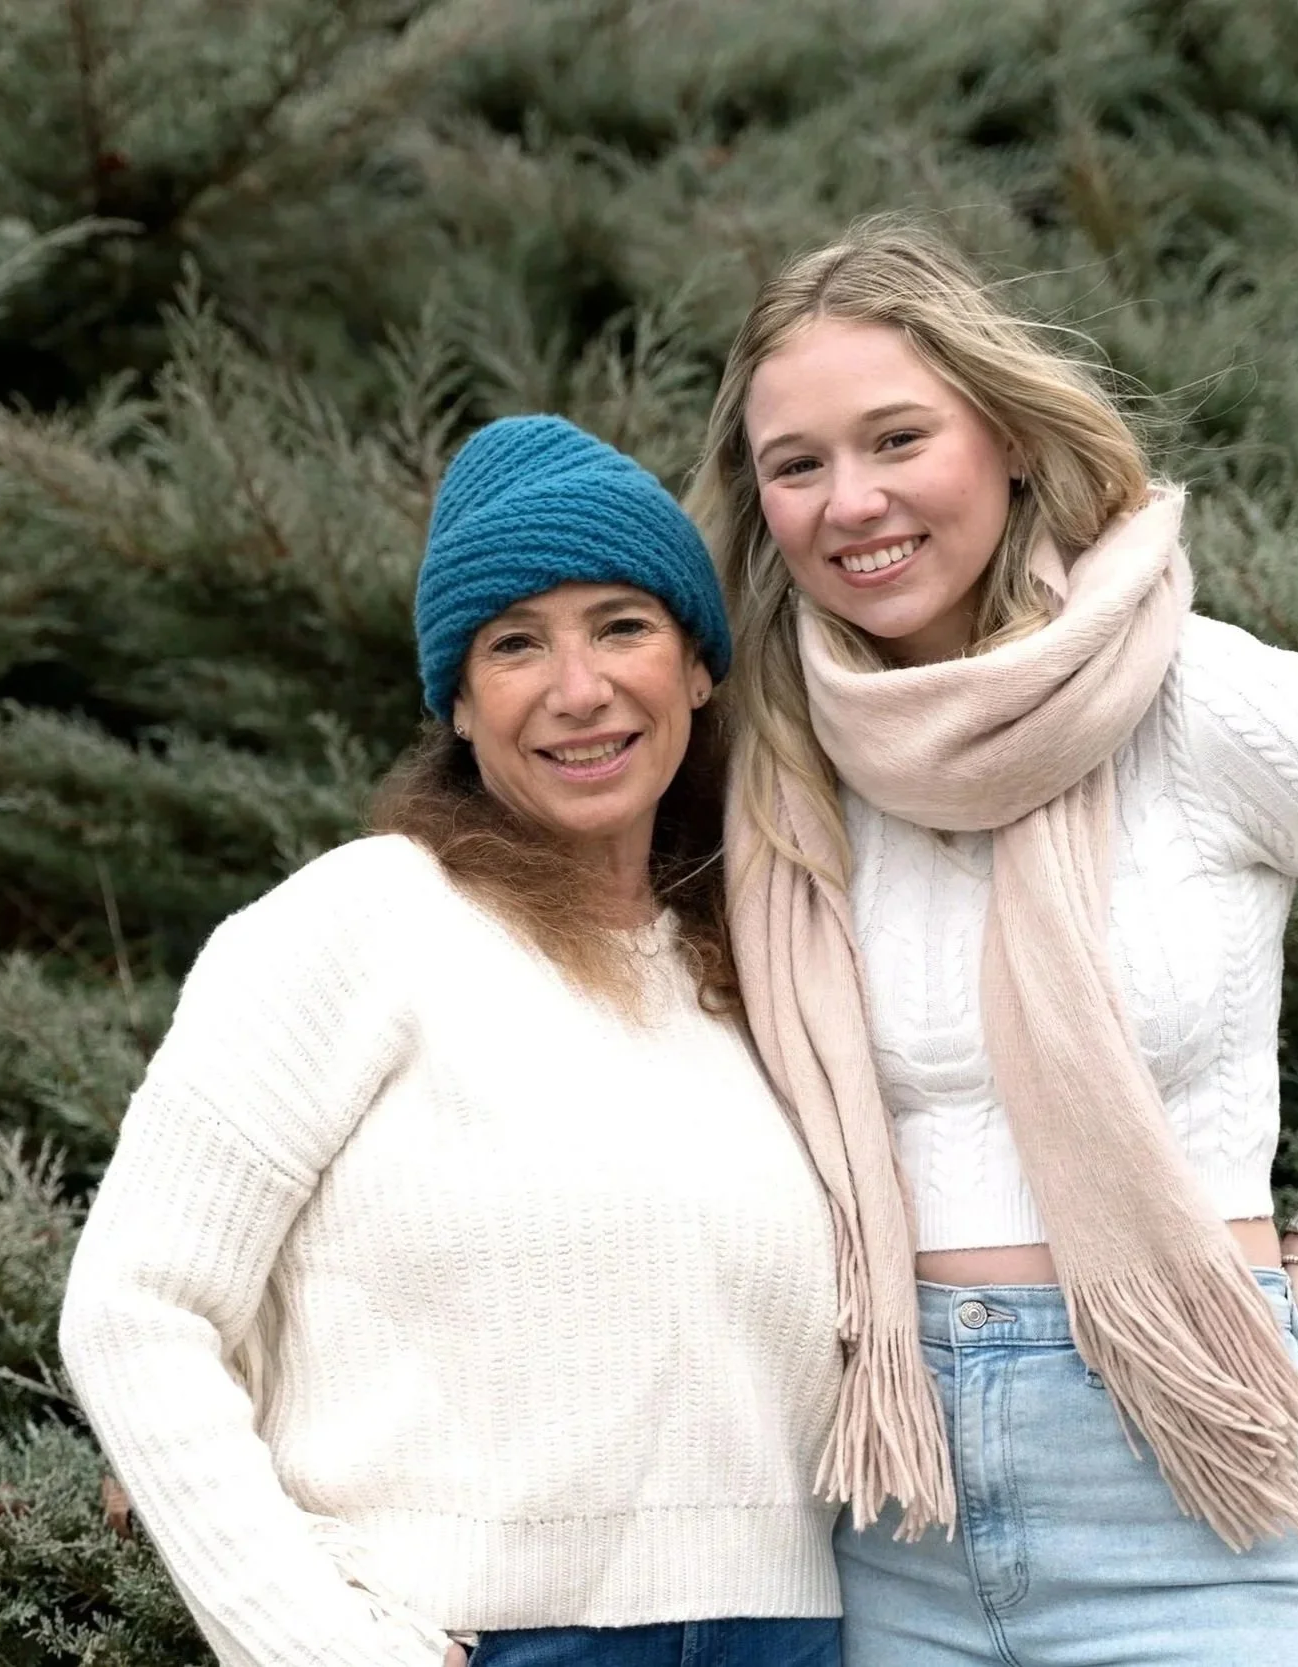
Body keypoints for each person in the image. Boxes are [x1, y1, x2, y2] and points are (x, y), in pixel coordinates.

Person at [685, 222, 1298, 1665]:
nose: (848, 499)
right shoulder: (772, 763)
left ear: (1000, 434)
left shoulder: (1194, 697)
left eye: (894, 438)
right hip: (883, 1493)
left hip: (1189, 1476)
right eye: (794, 463)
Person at [59, 416, 844, 1667]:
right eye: (514, 642)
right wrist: (313, 1643)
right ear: (460, 707)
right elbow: (135, 1304)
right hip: (471, 1639)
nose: (577, 687)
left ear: (697, 665)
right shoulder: (365, 921)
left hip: (790, 1636)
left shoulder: (768, 964)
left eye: (621, 624)